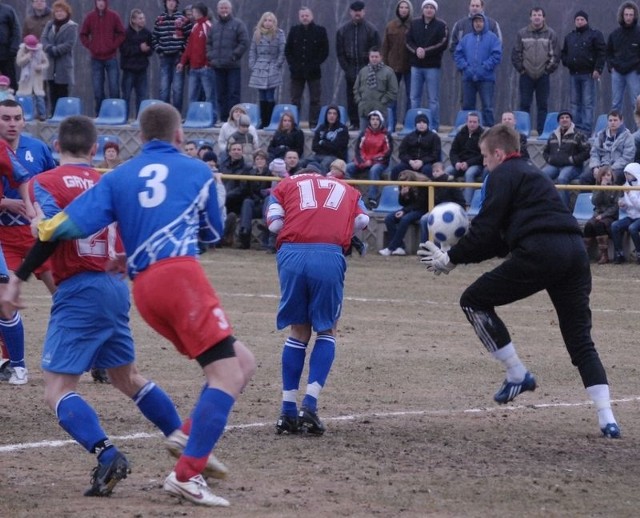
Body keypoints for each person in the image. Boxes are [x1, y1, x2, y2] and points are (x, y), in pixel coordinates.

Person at [25, 104, 256, 506]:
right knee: (229, 374)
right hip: (175, 277)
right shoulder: (198, 170)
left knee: (240, 362)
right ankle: (186, 471)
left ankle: (187, 435)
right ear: (180, 135)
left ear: (141, 136)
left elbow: (61, 226)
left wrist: (32, 241)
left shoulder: (119, 177)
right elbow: (213, 232)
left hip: (143, 285)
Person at [418, 124, 621, 440]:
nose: (483, 163)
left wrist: (451, 258)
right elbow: (499, 241)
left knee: (473, 300)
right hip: (574, 254)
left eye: (485, 157)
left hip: (542, 252)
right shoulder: (533, 174)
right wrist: (456, 256)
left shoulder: (502, 175)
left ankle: (517, 373)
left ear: (498, 154)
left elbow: (485, 231)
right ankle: (607, 418)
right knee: (580, 340)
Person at [266, 165, 369, 435]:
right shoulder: (347, 188)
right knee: (327, 328)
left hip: (291, 254)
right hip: (327, 253)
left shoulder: (285, 185)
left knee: (298, 329)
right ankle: (309, 405)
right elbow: (362, 222)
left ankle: (287, 410)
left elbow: (275, 224)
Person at [0, 98, 57, 383]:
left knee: (66, 296)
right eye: (5, 118)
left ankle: (96, 360)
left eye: (16, 118)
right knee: (4, 299)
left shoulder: (37, 148)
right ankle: (14, 364)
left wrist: (44, 213)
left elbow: (54, 181)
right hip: (4, 237)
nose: (11, 123)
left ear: (24, 120)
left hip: (38, 234)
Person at [511, 7, 560, 136]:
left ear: (544, 17)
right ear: (530, 17)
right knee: (524, 105)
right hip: (526, 75)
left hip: (543, 75)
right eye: (534, 15)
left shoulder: (551, 34)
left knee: (542, 106)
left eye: (539, 15)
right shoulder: (522, 33)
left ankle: (542, 132)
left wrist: (547, 71)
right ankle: (522, 132)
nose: (537, 17)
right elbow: (516, 53)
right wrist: (522, 70)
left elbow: (555, 55)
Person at [336, 1, 380, 131]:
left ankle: (368, 123)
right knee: (351, 97)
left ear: (363, 12)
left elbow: (376, 51)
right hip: (350, 69)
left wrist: (370, 69)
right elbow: (340, 52)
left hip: (367, 69)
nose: (357, 13)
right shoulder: (343, 30)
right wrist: (346, 68)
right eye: (355, 11)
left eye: (359, 10)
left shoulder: (371, 30)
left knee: (368, 98)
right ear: (350, 12)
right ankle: (354, 122)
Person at [561, 11, 606, 135]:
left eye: (582, 19)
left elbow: (601, 53)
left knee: (587, 103)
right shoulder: (570, 37)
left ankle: (586, 129)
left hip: (588, 74)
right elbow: (563, 52)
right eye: (577, 19)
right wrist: (567, 62)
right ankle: (575, 128)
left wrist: (598, 69)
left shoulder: (595, 35)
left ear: (586, 21)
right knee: (574, 103)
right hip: (573, 74)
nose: (579, 21)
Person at [406, 0, 448, 132]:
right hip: (416, 66)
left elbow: (443, 43)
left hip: (432, 66)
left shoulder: (441, 25)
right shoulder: (414, 24)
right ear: (422, 9)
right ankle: (414, 125)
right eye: (426, 7)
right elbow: (407, 41)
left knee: (433, 99)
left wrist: (426, 51)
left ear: (435, 10)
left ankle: (434, 126)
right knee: (414, 98)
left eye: (431, 8)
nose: (429, 10)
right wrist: (416, 50)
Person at [453, 13, 502, 127]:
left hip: (486, 78)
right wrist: (465, 67)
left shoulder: (493, 38)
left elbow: (497, 55)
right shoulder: (466, 39)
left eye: (480, 21)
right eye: (475, 22)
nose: (478, 24)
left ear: (484, 23)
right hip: (468, 78)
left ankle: (489, 130)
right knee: (467, 107)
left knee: (487, 106)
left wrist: (484, 67)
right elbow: (458, 55)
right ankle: (467, 130)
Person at [284, 7, 329, 129]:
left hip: (314, 71)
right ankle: (293, 123)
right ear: (299, 17)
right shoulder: (294, 31)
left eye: (307, 15)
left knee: (315, 100)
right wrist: (292, 65)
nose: (305, 18)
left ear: (312, 16)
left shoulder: (320, 31)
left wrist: (315, 64)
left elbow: (325, 51)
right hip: (296, 72)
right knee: (295, 100)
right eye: (302, 16)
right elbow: (288, 51)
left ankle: (314, 124)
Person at [80, 0, 126, 116]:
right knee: (98, 90)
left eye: (102, 1)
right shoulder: (90, 17)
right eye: (98, 1)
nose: (100, 3)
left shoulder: (113, 16)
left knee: (114, 88)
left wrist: (113, 45)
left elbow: (121, 33)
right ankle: (100, 115)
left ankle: (116, 114)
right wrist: (91, 46)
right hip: (96, 58)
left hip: (111, 57)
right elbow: (83, 34)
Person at [206, 0, 249, 123]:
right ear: (217, 10)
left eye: (226, 8)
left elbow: (244, 42)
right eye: (221, 8)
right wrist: (210, 56)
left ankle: (235, 119)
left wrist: (235, 55)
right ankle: (224, 119)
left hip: (233, 66)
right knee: (220, 94)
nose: (224, 10)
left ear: (230, 9)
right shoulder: (214, 26)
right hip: (217, 66)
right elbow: (208, 43)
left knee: (233, 94)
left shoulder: (238, 24)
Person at [541, 110, 591, 207]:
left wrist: (573, 160)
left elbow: (587, 152)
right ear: (559, 121)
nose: (564, 120)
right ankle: (545, 206)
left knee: (562, 178)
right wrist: (550, 159)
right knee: (541, 176)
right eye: (562, 118)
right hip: (554, 165)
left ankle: (563, 208)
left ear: (571, 120)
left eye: (567, 117)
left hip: (573, 166)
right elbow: (545, 151)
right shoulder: (552, 135)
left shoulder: (579, 134)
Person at [346, 110, 393, 208]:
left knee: (374, 170)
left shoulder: (386, 134)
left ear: (381, 121)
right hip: (364, 161)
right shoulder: (364, 133)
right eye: (372, 119)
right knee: (347, 168)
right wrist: (363, 161)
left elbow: (387, 152)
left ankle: (372, 199)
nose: (375, 121)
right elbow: (358, 150)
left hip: (380, 162)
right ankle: (348, 194)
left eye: (377, 119)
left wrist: (371, 161)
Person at [152, 0, 191, 114]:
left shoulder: (182, 19)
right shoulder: (160, 19)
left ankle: (177, 114)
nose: (171, 3)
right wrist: (159, 49)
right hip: (164, 57)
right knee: (164, 88)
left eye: (173, 1)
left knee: (177, 88)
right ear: (165, 3)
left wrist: (183, 49)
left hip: (178, 57)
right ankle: (164, 115)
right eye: (169, 1)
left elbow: (189, 37)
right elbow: (154, 37)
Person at [248, 12, 285, 129]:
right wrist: (253, 65)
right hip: (259, 68)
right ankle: (263, 121)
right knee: (262, 96)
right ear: (262, 21)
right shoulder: (257, 34)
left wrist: (277, 64)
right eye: (266, 20)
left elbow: (282, 50)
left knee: (270, 95)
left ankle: (270, 121)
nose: (268, 23)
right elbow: (252, 50)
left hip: (272, 66)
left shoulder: (279, 34)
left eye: (270, 20)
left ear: (274, 22)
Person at [379, 169, 428, 256]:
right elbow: (402, 203)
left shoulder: (422, 185)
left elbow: (420, 204)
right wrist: (403, 195)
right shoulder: (402, 185)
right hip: (408, 209)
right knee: (389, 218)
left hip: (422, 209)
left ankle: (391, 248)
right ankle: (400, 247)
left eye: (406, 182)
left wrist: (404, 211)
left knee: (405, 219)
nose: (403, 184)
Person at [381, 0, 413, 132]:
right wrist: (384, 65)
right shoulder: (391, 26)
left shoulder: (414, 25)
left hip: (411, 66)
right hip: (392, 66)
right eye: (401, 7)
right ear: (398, 9)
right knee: (391, 97)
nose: (404, 10)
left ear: (410, 10)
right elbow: (385, 47)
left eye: (406, 7)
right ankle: (390, 124)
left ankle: (408, 124)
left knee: (410, 97)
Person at [41, 0, 77, 117]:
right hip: (51, 64)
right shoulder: (49, 25)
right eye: (57, 11)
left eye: (61, 11)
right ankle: (52, 114)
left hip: (63, 65)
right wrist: (48, 48)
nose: (59, 13)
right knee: (51, 91)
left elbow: (69, 44)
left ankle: (63, 116)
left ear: (67, 12)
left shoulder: (72, 26)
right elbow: (44, 38)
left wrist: (55, 50)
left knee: (62, 91)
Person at [176, 3, 215, 111]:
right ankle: (192, 116)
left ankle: (212, 116)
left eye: (193, 12)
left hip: (205, 68)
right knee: (192, 96)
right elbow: (189, 47)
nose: (191, 14)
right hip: (193, 68)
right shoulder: (195, 26)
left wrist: (208, 63)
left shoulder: (208, 26)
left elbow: (211, 46)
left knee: (209, 95)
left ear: (199, 12)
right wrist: (182, 62)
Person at [580, 110, 635, 185]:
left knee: (613, 177)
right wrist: (595, 167)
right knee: (584, 178)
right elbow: (594, 153)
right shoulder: (601, 135)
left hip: (617, 168)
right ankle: (588, 197)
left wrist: (609, 170)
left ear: (621, 121)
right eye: (610, 120)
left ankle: (611, 196)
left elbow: (627, 158)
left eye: (615, 120)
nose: (612, 122)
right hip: (601, 166)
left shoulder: (628, 137)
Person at [418, 162, 466, 243]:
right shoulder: (430, 183)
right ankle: (425, 245)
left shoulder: (450, 182)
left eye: (438, 171)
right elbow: (424, 201)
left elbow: (460, 200)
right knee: (423, 219)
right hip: (435, 210)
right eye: (434, 172)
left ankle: (438, 248)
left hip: (450, 211)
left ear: (444, 171)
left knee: (439, 223)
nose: (435, 173)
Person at [353, 47, 398, 132]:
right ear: (369, 57)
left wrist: (383, 101)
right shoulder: (363, 71)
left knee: (381, 137)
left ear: (381, 57)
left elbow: (393, 91)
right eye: (372, 57)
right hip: (364, 110)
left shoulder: (388, 72)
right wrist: (359, 101)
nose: (374, 59)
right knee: (363, 137)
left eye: (376, 57)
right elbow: (356, 88)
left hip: (380, 110)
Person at [119, 8, 153, 122]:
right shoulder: (125, 33)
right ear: (133, 20)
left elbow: (151, 50)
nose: (143, 20)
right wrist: (139, 48)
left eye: (143, 18)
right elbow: (124, 50)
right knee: (126, 96)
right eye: (140, 18)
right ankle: (123, 119)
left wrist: (147, 50)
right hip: (129, 69)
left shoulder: (147, 33)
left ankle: (141, 120)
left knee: (142, 97)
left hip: (142, 69)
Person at [606, 2, 640, 113]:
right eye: (626, 14)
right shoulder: (615, 34)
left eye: (631, 15)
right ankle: (616, 129)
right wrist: (610, 66)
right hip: (617, 71)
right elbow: (608, 51)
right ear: (622, 15)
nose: (628, 17)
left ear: (635, 16)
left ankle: (638, 129)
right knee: (616, 103)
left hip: (634, 71)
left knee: (636, 102)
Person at [446, 111, 485, 206]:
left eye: (474, 122)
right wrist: (456, 163)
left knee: (469, 173)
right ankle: (447, 199)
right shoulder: (460, 134)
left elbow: (483, 155)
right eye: (470, 121)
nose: (472, 124)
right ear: (466, 122)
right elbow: (453, 151)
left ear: (478, 123)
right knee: (447, 172)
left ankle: (467, 204)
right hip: (460, 163)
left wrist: (468, 163)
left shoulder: (483, 135)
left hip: (476, 165)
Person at [583, 166, 619, 264]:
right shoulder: (597, 187)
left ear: (612, 176)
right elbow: (595, 202)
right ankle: (584, 253)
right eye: (603, 175)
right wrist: (601, 189)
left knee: (600, 224)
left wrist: (603, 216)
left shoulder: (616, 188)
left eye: (608, 175)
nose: (606, 177)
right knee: (589, 225)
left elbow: (615, 207)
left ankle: (604, 254)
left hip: (610, 216)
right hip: (598, 213)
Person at [390, 111, 441, 180]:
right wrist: (410, 161)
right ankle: (395, 189)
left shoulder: (434, 137)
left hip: (427, 163)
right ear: (415, 124)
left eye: (424, 122)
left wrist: (422, 161)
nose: (421, 124)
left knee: (427, 170)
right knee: (396, 170)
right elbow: (402, 153)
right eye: (419, 122)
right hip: (410, 162)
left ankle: (427, 190)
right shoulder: (408, 137)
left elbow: (435, 154)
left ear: (427, 124)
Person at [304, 104, 349, 173]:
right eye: (329, 113)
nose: (332, 116)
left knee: (325, 164)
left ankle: (322, 183)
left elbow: (338, 148)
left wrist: (322, 143)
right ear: (326, 115)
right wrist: (329, 145)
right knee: (302, 162)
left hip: (335, 157)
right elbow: (314, 146)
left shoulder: (343, 129)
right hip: (319, 155)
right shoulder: (321, 127)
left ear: (337, 116)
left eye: (334, 114)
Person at [611, 162, 640, 264]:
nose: (626, 176)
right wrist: (622, 204)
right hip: (631, 216)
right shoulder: (626, 185)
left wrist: (629, 193)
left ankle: (639, 253)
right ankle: (619, 254)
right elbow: (628, 206)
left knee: (632, 228)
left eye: (629, 173)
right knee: (615, 226)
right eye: (626, 174)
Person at [16, 35, 49, 122]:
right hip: (26, 79)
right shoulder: (22, 50)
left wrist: (40, 67)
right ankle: (27, 113)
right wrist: (27, 56)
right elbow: (19, 62)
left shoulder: (40, 51)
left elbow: (46, 63)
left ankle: (42, 115)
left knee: (39, 97)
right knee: (27, 97)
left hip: (37, 79)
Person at [0, 2, 20, 91]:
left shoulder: (8, 10)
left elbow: (16, 29)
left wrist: (14, 48)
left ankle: (13, 103)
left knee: (10, 82)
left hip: (6, 53)